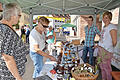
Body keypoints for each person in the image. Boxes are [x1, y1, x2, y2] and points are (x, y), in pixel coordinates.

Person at [0, 3, 29, 80]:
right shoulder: (6, 31)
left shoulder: (5, 28)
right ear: (13, 16)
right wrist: (18, 77)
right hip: (10, 76)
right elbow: (7, 57)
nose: (19, 18)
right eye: (19, 15)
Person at [97, 11, 117, 80]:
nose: (104, 19)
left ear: (110, 18)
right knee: (102, 67)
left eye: (106, 18)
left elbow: (114, 42)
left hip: (106, 50)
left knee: (107, 68)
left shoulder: (112, 27)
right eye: (103, 18)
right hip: (101, 49)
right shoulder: (104, 27)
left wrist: (108, 49)